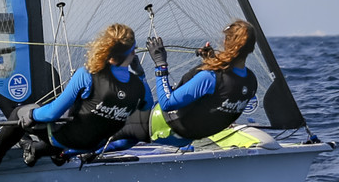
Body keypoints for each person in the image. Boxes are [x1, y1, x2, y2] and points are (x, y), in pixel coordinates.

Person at [0, 23, 152, 167]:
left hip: (66, 139)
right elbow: (147, 106)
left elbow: (51, 114)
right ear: (132, 54)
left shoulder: (87, 74)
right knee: (78, 122)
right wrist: (140, 74)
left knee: (21, 112)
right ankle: (42, 152)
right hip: (94, 145)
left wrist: (31, 116)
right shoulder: (139, 87)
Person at [108, 19, 261, 149]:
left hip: (161, 125)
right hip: (184, 137)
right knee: (129, 136)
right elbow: (218, 99)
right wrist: (211, 61)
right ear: (252, 48)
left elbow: (167, 103)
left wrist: (160, 65)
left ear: (227, 43)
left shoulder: (211, 77)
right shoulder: (251, 81)